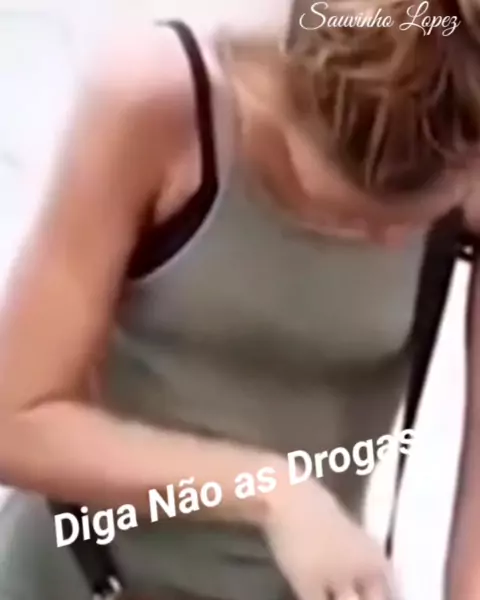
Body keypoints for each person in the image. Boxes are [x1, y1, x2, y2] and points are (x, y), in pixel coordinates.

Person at [0, 0, 479, 598]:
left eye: (413, 221)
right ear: (289, 100)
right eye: (348, 213)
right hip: (78, 578)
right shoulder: (164, 103)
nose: (382, 242)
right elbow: (13, 423)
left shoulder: (467, 146)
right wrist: (268, 491)